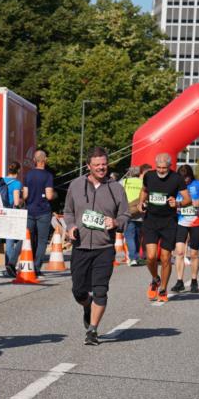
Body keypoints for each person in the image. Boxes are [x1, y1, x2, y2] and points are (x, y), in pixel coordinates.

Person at [62, 147, 130, 345]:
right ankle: (87, 306)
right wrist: (71, 226)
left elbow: (125, 214)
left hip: (104, 248)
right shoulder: (76, 185)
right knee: (78, 291)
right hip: (81, 246)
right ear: (88, 166)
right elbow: (67, 212)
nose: (102, 168)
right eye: (97, 165)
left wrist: (116, 223)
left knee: (100, 289)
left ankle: (92, 330)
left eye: (104, 164)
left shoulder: (116, 187)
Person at [139, 153, 191, 303]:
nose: (161, 171)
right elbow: (144, 191)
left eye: (164, 168)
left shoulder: (177, 178)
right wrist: (140, 203)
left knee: (166, 258)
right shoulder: (149, 176)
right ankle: (155, 279)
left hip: (169, 222)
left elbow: (187, 199)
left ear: (170, 166)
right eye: (159, 168)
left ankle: (163, 288)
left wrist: (178, 203)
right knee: (150, 256)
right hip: (151, 220)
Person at [171, 164, 199, 294]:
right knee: (180, 252)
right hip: (181, 222)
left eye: (186, 178)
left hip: (196, 222)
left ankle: (194, 281)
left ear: (190, 176)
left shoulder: (198, 184)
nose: (184, 181)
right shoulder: (175, 185)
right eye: (182, 178)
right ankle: (179, 281)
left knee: (193, 254)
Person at [0, 161, 23, 278]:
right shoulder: (17, 183)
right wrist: (21, 203)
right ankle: (9, 267)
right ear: (18, 171)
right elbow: (16, 202)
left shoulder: (0, 180)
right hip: (9, 213)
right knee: (9, 242)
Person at [22, 149, 55, 276]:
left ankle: (12, 262)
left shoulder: (28, 175)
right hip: (43, 211)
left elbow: (25, 195)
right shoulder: (48, 176)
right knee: (42, 241)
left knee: (26, 238)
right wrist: (54, 194)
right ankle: (36, 267)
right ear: (45, 160)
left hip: (30, 210)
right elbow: (49, 195)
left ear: (34, 161)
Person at [120, 164, 146, 266]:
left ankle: (133, 257)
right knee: (137, 236)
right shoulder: (142, 183)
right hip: (139, 212)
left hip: (127, 211)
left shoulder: (124, 182)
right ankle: (136, 256)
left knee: (129, 236)